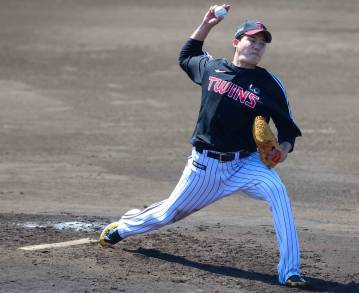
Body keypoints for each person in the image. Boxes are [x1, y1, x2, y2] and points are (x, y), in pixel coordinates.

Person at [99, 4, 305, 287]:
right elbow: (186, 56)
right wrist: (206, 23)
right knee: (168, 213)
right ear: (237, 41)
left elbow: (289, 131)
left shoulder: (269, 84)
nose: (257, 46)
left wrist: (281, 151)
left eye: (262, 43)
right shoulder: (213, 68)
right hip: (205, 166)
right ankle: (124, 227)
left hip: (246, 163)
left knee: (277, 192)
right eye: (251, 40)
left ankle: (290, 271)